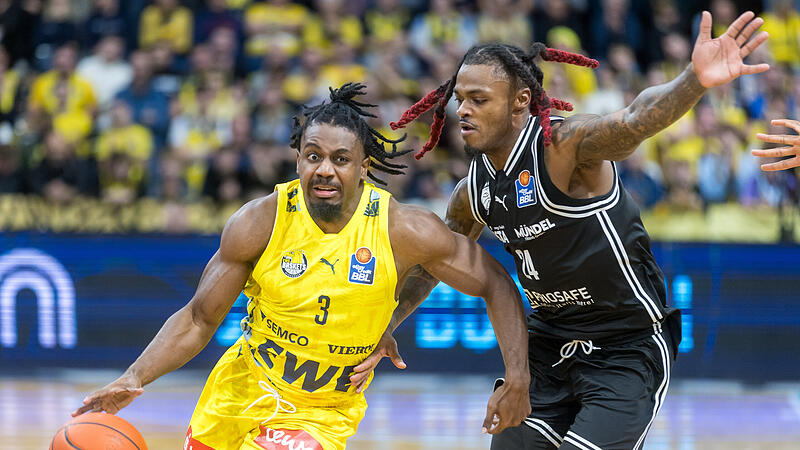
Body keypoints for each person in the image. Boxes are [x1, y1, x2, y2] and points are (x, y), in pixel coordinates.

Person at [351, 11, 769, 450]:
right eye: (460, 99)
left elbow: (633, 121)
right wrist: (386, 323)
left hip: (626, 345)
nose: (463, 110)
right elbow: (432, 265)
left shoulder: (563, 148)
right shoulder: (471, 191)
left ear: (519, 101)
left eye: (478, 99)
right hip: (549, 346)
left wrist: (694, 80)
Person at [71, 83, 531, 449]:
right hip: (236, 395)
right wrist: (134, 376)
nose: (324, 170)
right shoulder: (259, 221)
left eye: (340, 159)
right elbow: (198, 318)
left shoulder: (403, 230)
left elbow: (497, 285)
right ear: (298, 158)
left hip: (320, 414)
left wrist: (517, 378)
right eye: (313, 156)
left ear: (364, 168)